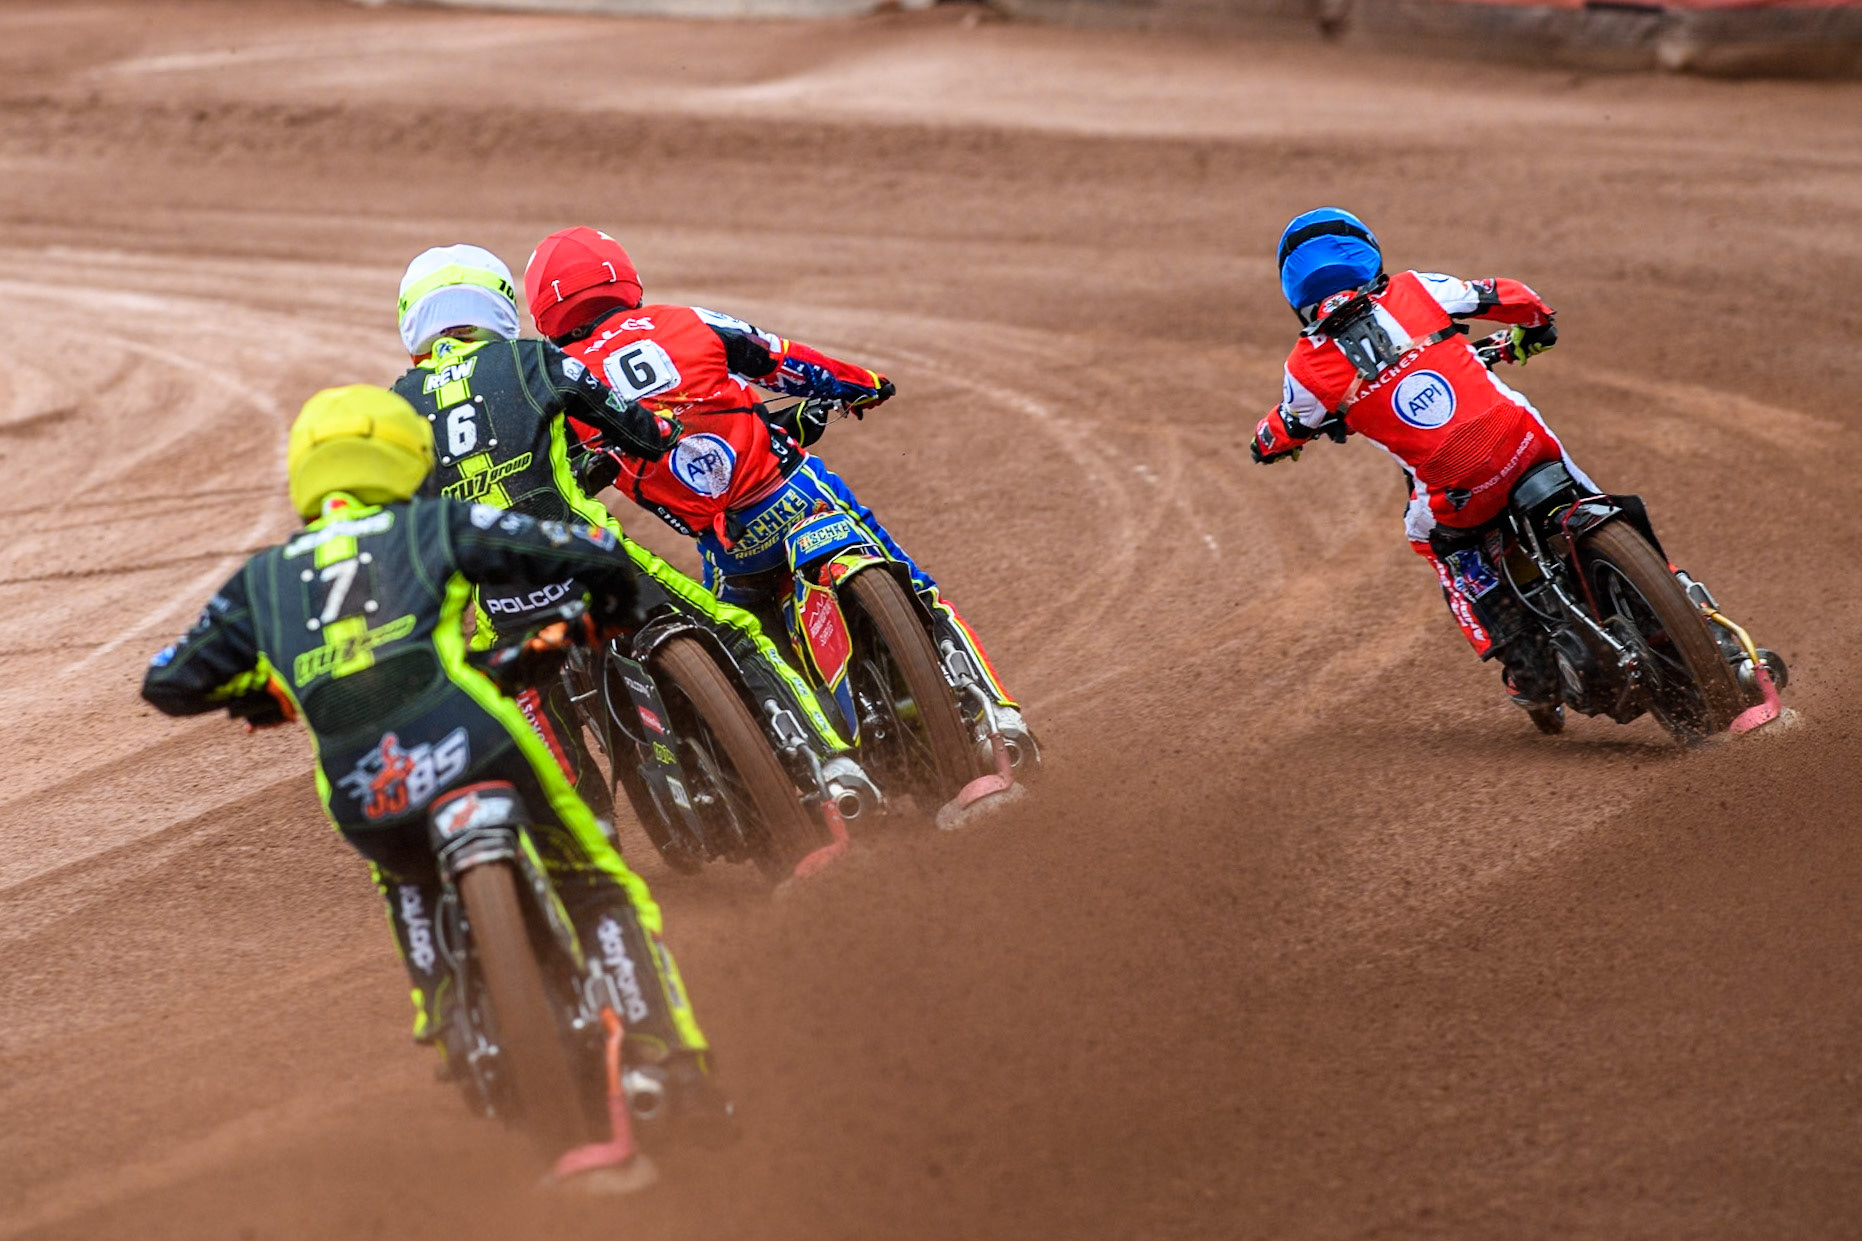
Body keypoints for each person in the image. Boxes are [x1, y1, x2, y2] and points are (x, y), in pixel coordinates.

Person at [141, 384, 726, 1149]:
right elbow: (583, 552)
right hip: (469, 742)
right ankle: (673, 1064)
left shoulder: (262, 580)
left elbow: (168, 681)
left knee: (407, 875)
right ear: (408, 458)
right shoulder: (432, 522)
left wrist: (267, 696)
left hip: (362, 788)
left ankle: (448, 1009)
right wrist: (599, 611)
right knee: (599, 887)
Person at [390, 244, 878, 822]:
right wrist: (662, 432)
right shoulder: (535, 361)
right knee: (735, 629)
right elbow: (637, 430)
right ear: (500, 307)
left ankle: (588, 846)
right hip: (590, 563)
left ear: (412, 322)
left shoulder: (393, 410)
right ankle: (828, 762)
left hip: (503, 604)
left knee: (527, 717)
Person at [522, 226, 1038, 770]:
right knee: (919, 589)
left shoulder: (561, 380)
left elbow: (560, 478)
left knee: (750, 663)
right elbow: (784, 359)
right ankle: (999, 714)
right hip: (797, 494)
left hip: (731, 546)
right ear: (625, 279)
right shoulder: (686, 319)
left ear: (545, 313)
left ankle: (823, 768)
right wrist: (862, 383)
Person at [1248, 207, 1591, 716]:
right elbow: (1509, 296)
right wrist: (1534, 329)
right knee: (1592, 503)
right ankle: (1698, 618)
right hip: (1523, 443)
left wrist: (1265, 443)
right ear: (1366, 252)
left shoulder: (1304, 368)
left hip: (1457, 491)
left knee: (1427, 536)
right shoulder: (1416, 289)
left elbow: (1286, 426)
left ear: (1294, 288)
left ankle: (1525, 662)